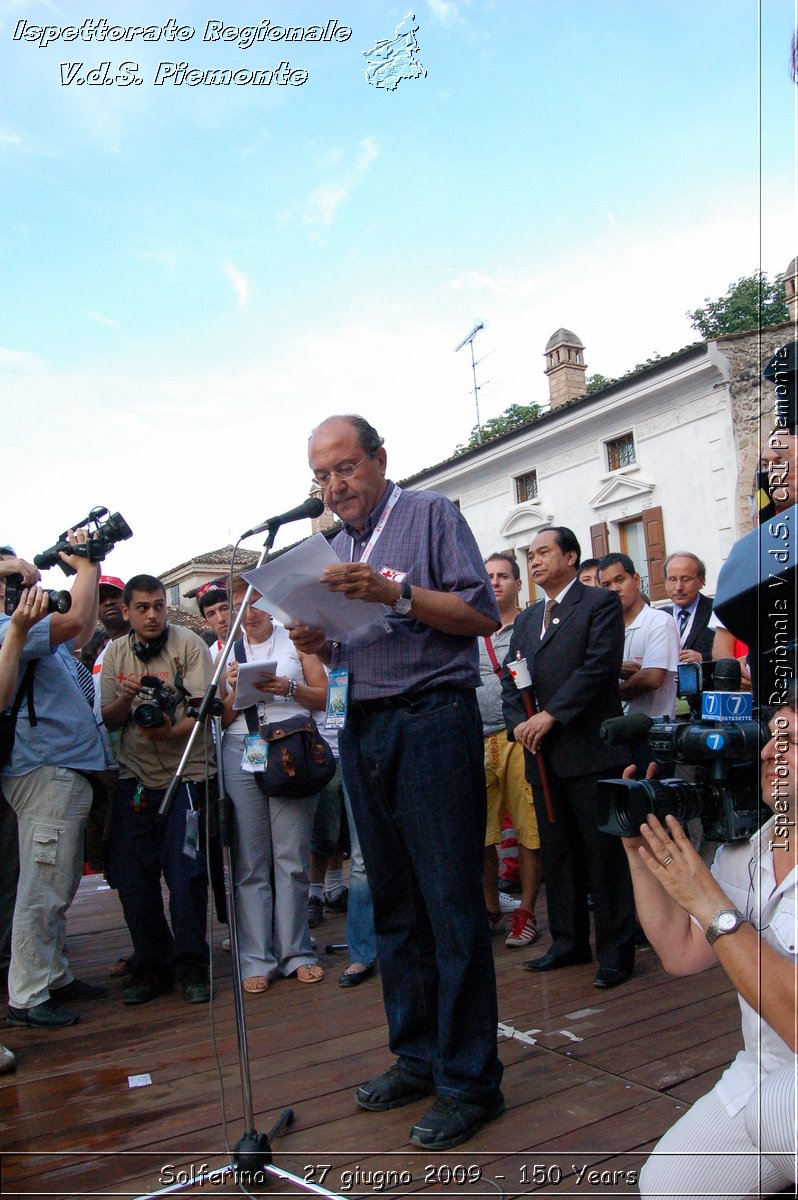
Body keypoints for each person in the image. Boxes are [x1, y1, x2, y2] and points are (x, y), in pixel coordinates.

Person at [289, 414, 504, 1152]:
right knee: (393, 906)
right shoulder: (334, 548)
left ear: (380, 459)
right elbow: (346, 651)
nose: (333, 486)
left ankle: (471, 1081)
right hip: (362, 726)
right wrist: (319, 640)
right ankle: (417, 1057)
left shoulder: (431, 515)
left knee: (449, 904)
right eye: (321, 476)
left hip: (430, 720)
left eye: (344, 468)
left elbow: (481, 613)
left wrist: (394, 594)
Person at [624, 690, 798, 1199]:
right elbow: (680, 951)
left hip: (784, 1097)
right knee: (667, 1187)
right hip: (763, 1070)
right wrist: (641, 853)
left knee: (778, 1113)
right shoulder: (751, 846)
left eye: (792, 741)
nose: (768, 752)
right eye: (772, 737)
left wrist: (710, 904)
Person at [502, 526, 637, 988]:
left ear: (571, 556)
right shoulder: (525, 620)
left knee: (604, 857)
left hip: (589, 751)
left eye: (544, 552)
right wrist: (519, 722)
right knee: (558, 854)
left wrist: (552, 715)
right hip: (542, 756)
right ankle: (568, 942)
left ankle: (616, 952)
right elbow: (512, 678)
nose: (535, 561)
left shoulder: (598, 604)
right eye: (530, 555)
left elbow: (598, 668)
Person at [0, 534, 111, 1030]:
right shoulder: (7, 627)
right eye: (9, 580)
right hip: (43, 767)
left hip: (63, 766)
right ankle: (28, 992)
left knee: (59, 878)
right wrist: (85, 566)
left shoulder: (26, 627)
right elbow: (75, 621)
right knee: (42, 883)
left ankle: (53, 973)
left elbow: (82, 626)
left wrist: (84, 568)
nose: (21, 585)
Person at [100, 575, 214, 1006]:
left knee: (186, 876)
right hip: (135, 778)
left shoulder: (188, 644)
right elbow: (110, 720)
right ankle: (151, 966)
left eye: (158, 606)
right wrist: (127, 702)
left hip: (187, 774)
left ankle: (191, 966)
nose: (152, 615)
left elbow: (205, 710)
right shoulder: (115, 652)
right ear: (126, 611)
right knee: (133, 879)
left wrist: (170, 731)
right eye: (142, 607)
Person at [220, 577, 328, 990]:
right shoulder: (225, 648)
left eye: (255, 603)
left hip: (291, 750)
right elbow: (221, 716)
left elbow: (325, 695)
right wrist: (233, 688)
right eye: (240, 606)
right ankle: (255, 958)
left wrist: (289, 687)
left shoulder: (295, 638)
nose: (249, 613)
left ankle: (297, 951)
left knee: (292, 856)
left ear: (271, 603)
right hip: (241, 748)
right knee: (250, 861)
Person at [479, 552, 541, 947]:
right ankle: (489, 909)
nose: (496, 582)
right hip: (474, 738)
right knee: (480, 834)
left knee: (528, 828)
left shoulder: (532, 626)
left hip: (518, 735)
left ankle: (528, 910)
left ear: (519, 584)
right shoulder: (468, 628)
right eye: (489, 577)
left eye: (504, 576)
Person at [662, 552, 716, 664]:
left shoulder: (717, 611)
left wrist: (703, 658)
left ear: (701, 580)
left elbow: (732, 654)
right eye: (672, 579)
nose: (678, 587)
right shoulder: (658, 617)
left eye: (685, 579)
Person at [196, 579, 231, 659]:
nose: (220, 619)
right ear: (206, 623)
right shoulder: (208, 658)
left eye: (224, 608)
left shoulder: (263, 640)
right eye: (211, 614)